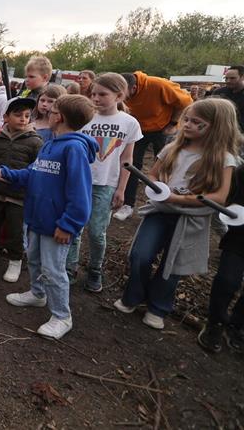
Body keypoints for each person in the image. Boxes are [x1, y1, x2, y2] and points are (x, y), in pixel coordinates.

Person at [114, 98, 241, 330]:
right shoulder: (173, 148)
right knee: (140, 255)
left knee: (174, 265)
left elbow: (220, 197)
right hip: (160, 212)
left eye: (196, 122)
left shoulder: (224, 158)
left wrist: (180, 199)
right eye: (187, 120)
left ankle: (158, 307)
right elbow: (151, 175)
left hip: (191, 219)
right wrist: (159, 188)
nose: (188, 125)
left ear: (217, 126)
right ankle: (132, 296)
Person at [0, 95, 98, 339]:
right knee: (33, 259)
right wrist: (6, 173)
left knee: (54, 270)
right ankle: (37, 294)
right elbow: (33, 174)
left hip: (58, 226)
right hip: (37, 219)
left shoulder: (74, 148)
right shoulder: (50, 144)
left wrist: (68, 225)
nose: (48, 113)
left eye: (52, 110)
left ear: (59, 117)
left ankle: (62, 316)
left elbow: (81, 193)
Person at [65, 73, 143, 290]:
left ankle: (95, 270)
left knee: (98, 231)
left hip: (106, 184)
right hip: (80, 182)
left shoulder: (129, 123)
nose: (96, 98)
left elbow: (127, 160)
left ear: (119, 95)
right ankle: (70, 268)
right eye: (93, 94)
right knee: (74, 228)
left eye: (102, 94)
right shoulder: (85, 117)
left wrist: (121, 190)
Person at [0, 97, 43, 282]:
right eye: (18, 115)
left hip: (18, 196)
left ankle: (15, 262)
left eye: (27, 115)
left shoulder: (36, 142)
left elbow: (37, 171)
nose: (23, 119)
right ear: (6, 116)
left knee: (15, 231)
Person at [114, 71, 193, 221]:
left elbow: (186, 102)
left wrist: (173, 123)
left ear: (134, 87)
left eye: (122, 92)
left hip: (162, 129)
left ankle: (163, 200)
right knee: (131, 166)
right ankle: (128, 205)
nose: (120, 96)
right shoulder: (122, 94)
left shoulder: (158, 85)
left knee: (165, 166)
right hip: (138, 129)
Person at [197, 162, 244, 353]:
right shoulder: (241, 172)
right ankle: (215, 323)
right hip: (239, 238)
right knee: (227, 280)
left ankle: (237, 326)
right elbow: (230, 201)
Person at [210, 65, 244, 134]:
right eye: (226, 78)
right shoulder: (218, 92)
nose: (228, 81)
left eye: (232, 78)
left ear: (242, 77)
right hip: (218, 133)